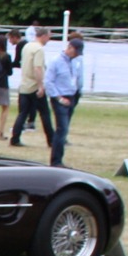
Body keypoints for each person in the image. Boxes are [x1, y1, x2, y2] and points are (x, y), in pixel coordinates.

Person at [44, 37, 85, 167]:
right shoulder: (56, 61)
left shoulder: (76, 61)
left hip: (72, 96)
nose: (76, 54)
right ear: (70, 47)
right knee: (62, 129)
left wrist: (78, 92)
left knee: (64, 129)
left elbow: (77, 78)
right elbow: (48, 82)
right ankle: (56, 161)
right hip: (60, 97)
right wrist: (59, 98)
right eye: (75, 51)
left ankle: (58, 159)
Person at [10, 28, 53, 148]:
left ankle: (15, 138)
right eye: (48, 37)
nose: (48, 40)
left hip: (24, 85)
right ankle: (51, 140)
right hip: (34, 86)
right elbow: (38, 68)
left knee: (22, 113)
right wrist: (40, 86)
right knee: (45, 113)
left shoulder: (27, 46)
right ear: (43, 36)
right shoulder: (39, 49)